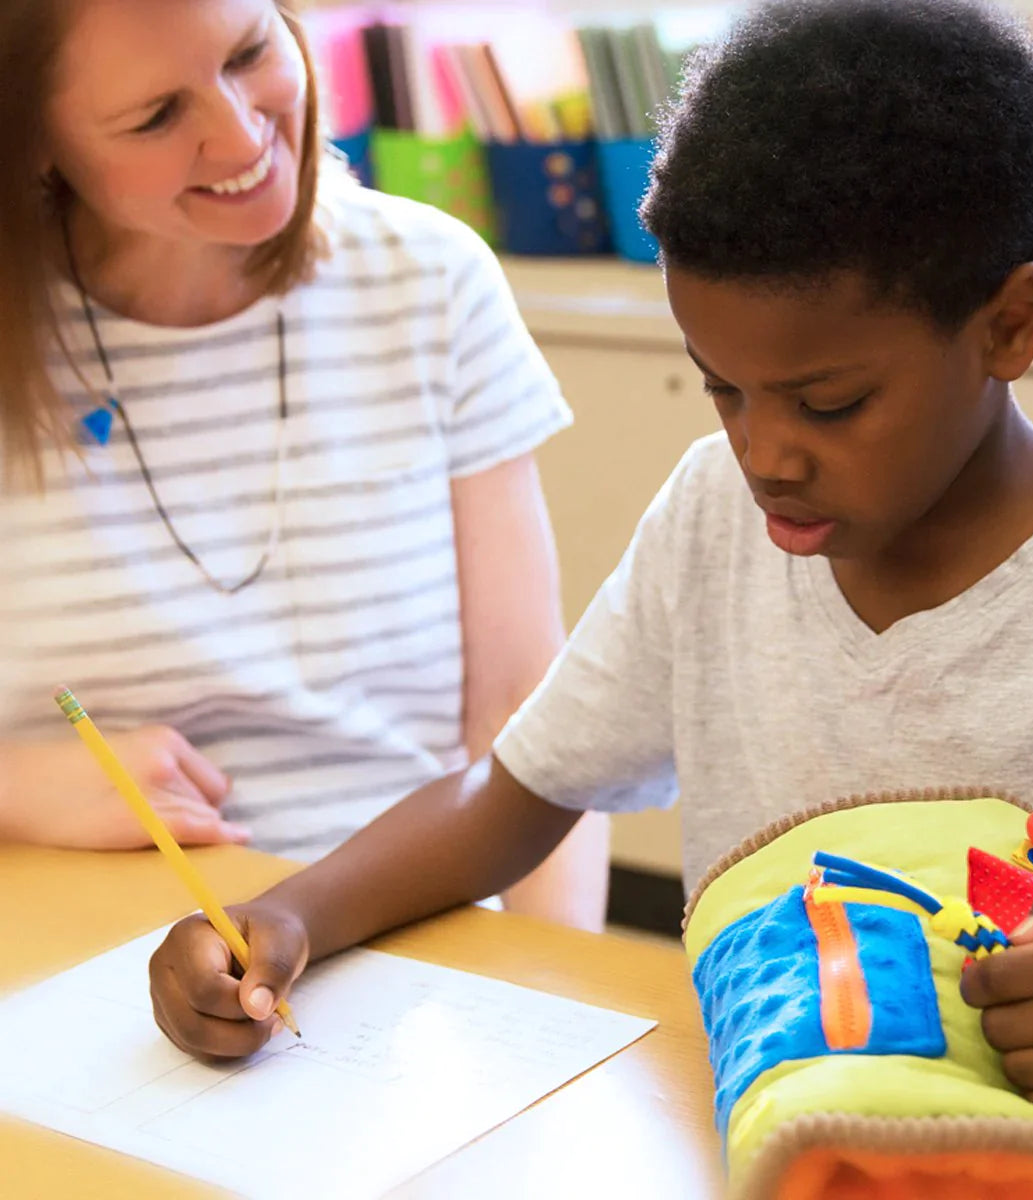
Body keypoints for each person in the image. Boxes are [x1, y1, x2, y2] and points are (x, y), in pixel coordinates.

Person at [149, 0, 1033, 1126]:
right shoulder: (710, 512)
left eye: (830, 403)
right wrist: (292, 912)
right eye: (721, 386)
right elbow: (515, 795)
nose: (764, 454)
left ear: (1010, 327)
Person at [0, 0, 608, 932]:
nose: (242, 132)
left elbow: (535, 729)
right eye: (158, 116)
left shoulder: (430, 279)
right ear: (37, 143)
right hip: (64, 948)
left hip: (405, 938)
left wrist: (560, 999)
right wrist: (15, 785)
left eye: (251, 52)